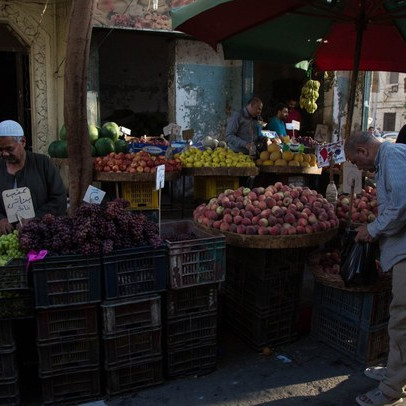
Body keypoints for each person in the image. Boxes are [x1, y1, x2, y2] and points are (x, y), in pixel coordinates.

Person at [344, 131, 406, 406]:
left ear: (362, 150)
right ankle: (396, 372)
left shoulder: (391, 155)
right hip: (401, 249)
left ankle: (392, 389)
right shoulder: (389, 159)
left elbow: (402, 204)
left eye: (355, 162)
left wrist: (373, 229)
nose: (358, 168)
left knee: (401, 322)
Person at [0, 120, 67, 235]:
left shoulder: (43, 163)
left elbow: (59, 200)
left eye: (9, 149)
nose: (4, 154)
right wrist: (1, 219)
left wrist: (35, 219)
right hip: (6, 238)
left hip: (40, 235)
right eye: (0, 150)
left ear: (23, 142)